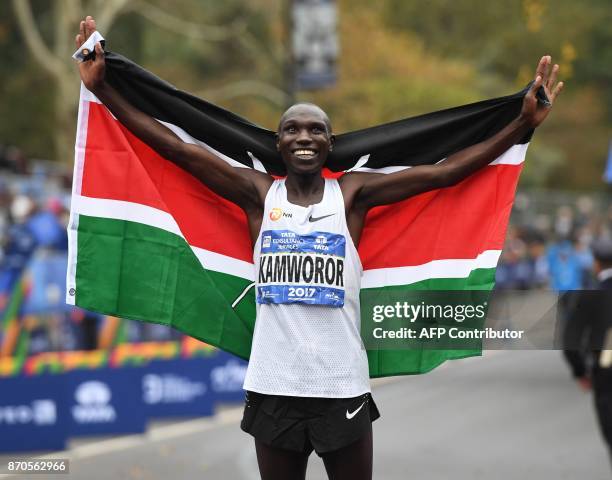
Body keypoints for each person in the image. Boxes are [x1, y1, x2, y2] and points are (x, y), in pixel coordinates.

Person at [75, 15, 563, 480]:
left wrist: (523, 125)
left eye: (315, 130)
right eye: (292, 129)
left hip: (341, 386)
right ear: (279, 143)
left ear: (330, 144)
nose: (303, 137)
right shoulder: (258, 194)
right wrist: (104, 89)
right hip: (273, 386)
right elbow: (176, 149)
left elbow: (446, 172)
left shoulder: (352, 195)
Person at [563, 239, 612, 468]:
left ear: (596, 264)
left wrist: (580, 371)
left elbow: (570, 341)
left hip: (606, 376)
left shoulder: (589, 297)